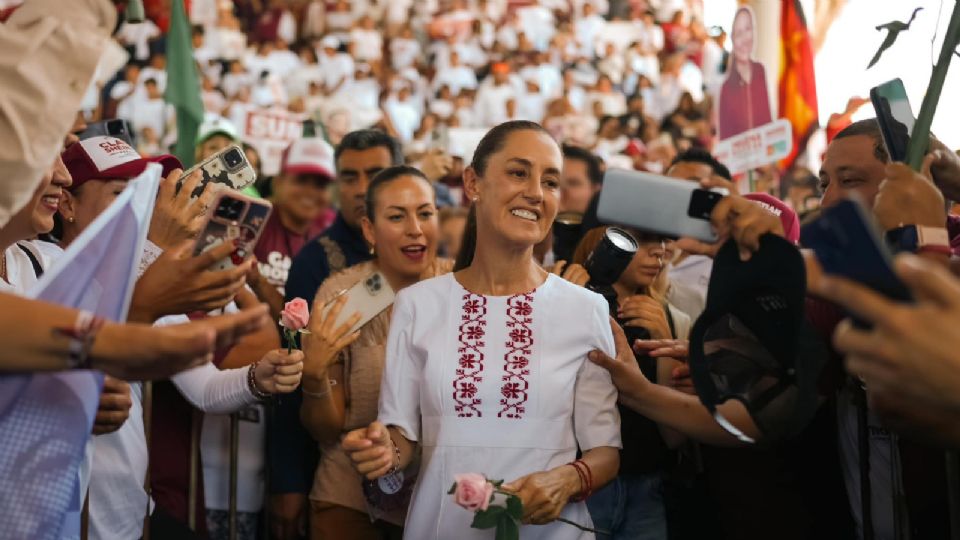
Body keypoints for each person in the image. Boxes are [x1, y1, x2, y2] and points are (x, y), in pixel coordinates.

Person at [343, 121, 621, 539]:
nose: (535, 192)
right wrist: (383, 452)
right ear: (473, 182)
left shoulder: (586, 309)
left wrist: (566, 479)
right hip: (441, 526)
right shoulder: (418, 304)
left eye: (550, 181)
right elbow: (402, 436)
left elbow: (606, 450)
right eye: (518, 172)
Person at [301, 166, 453, 539]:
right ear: (369, 229)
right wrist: (314, 375)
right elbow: (325, 428)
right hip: (350, 502)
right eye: (397, 216)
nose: (415, 228)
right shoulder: (344, 296)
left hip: (445, 502)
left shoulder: (463, 287)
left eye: (425, 213)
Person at [269, 129, 403, 539]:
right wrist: (288, 481)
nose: (362, 188)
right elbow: (295, 373)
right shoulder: (317, 263)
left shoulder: (430, 253)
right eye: (349, 177)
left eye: (376, 173)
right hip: (340, 470)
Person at [572, 227, 690, 540]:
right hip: (580, 483)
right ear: (602, 241)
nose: (659, 251)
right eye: (643, 240)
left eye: (663, 241)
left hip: (647, 485)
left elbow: (675, 435)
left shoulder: (672, 318)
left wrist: (664, 341)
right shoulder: (567, 302)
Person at [247, 137, 337, 323]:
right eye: (301, 180)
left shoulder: (335, 234)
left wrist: (258, 281)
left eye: (320, 184)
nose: (310, 192)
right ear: (278, 182)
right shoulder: (251, 220)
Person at [717, 6, 772, 140]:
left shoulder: (760, 72)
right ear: (732, 38)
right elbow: (725, 136)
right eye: (738, 33)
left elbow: (767, 120)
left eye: (748, 30)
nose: (744, 39)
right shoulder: (726, 87)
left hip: (763, 156)